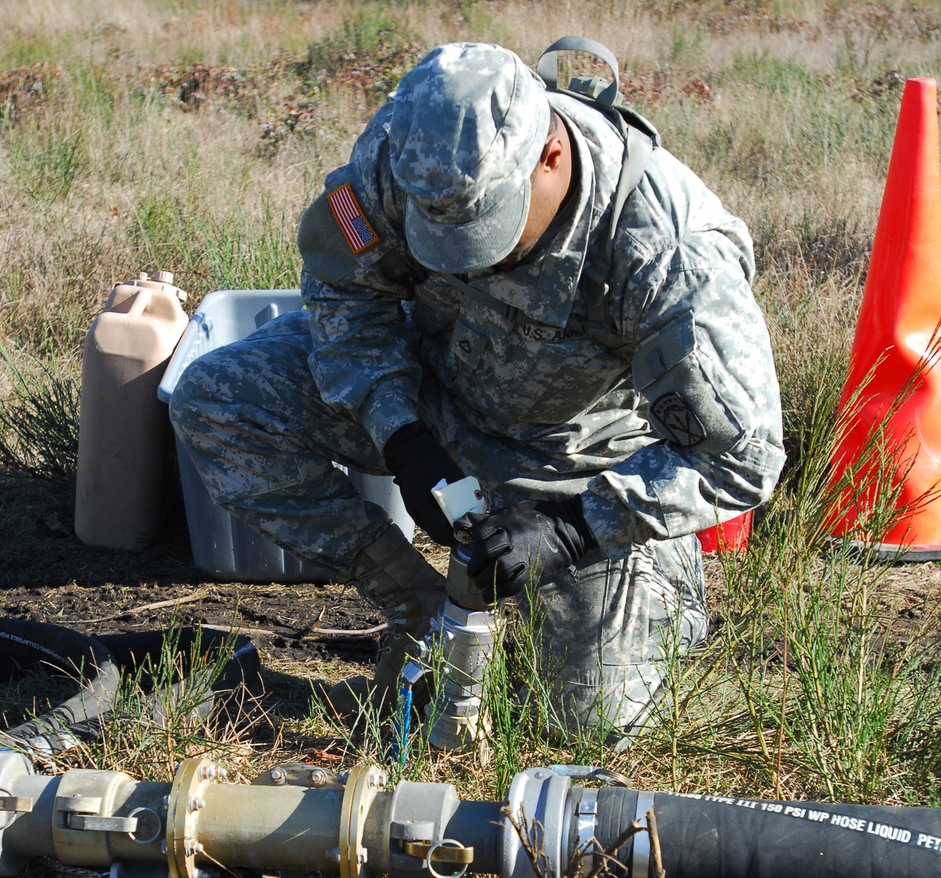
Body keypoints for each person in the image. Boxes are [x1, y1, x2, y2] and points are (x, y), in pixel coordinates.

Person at [169, 41, 785, 743]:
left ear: (550, 155)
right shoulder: (412, 153)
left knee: (590, 725)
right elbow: (344, 290)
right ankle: (416, 600)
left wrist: (574, 526)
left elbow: (745, 457)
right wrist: (400, 431)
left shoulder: (667, 255)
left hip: (573, 462)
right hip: (434, 393)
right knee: (216, 400)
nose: (464, 255)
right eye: (440, 233)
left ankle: (642, 596)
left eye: (485, 225)